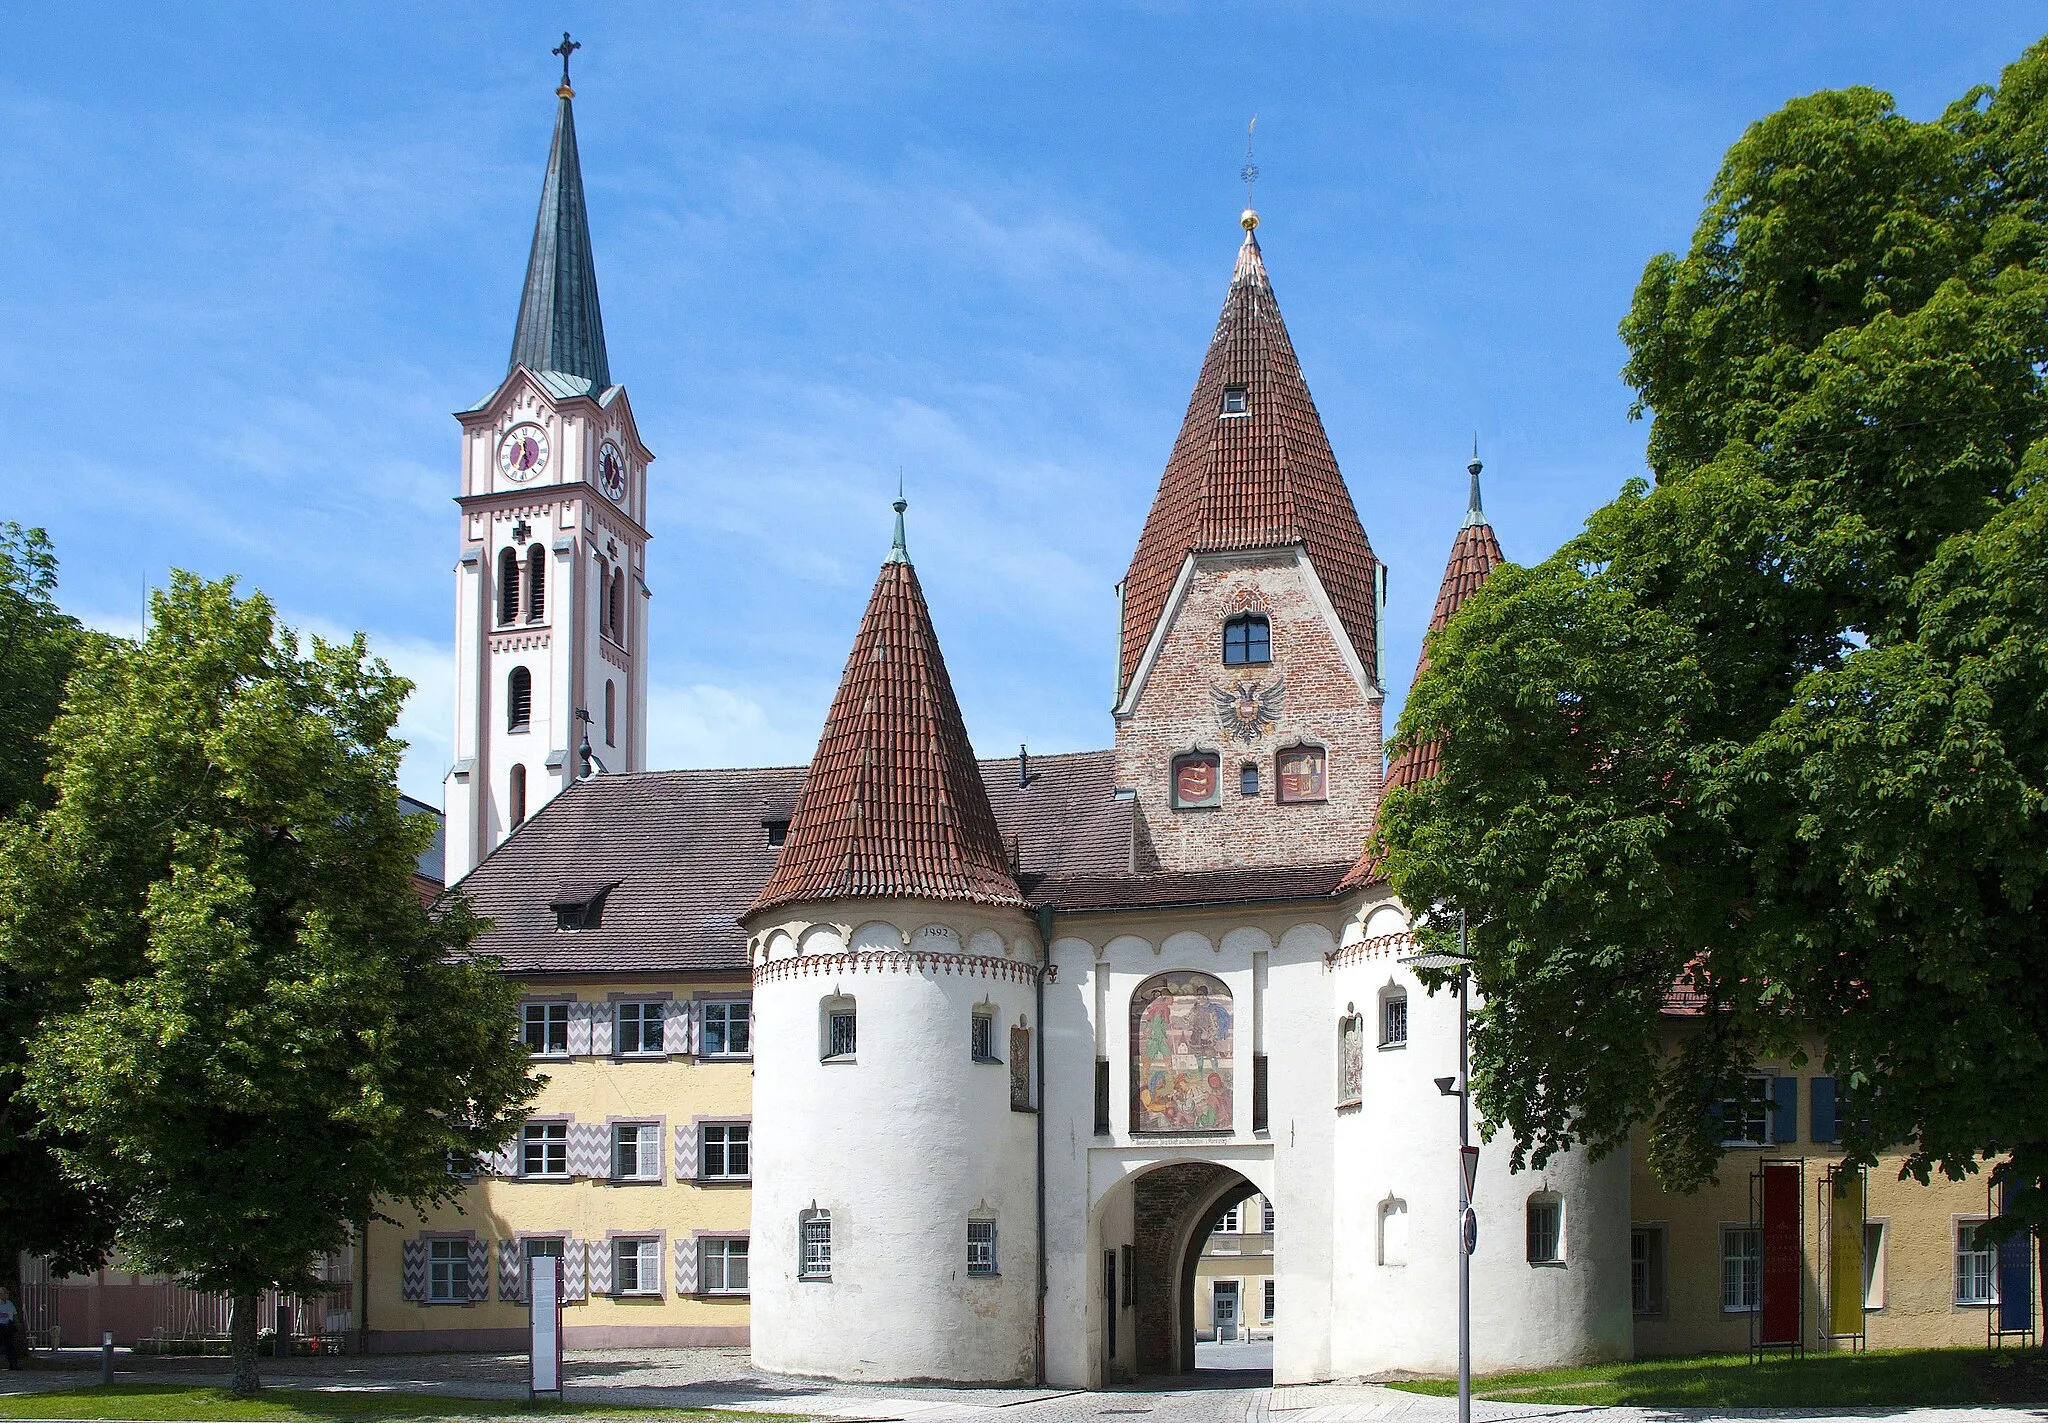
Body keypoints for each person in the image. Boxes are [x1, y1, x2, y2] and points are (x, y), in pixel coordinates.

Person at [0, 1284, 20, 1369]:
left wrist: (18, 1325)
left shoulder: (10, 1303)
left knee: (10, 1346)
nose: (6, 1295)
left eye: (6, 1293)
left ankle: (13, 1365)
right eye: (4, 1293)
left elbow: (14, 1315)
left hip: (8, 1327)